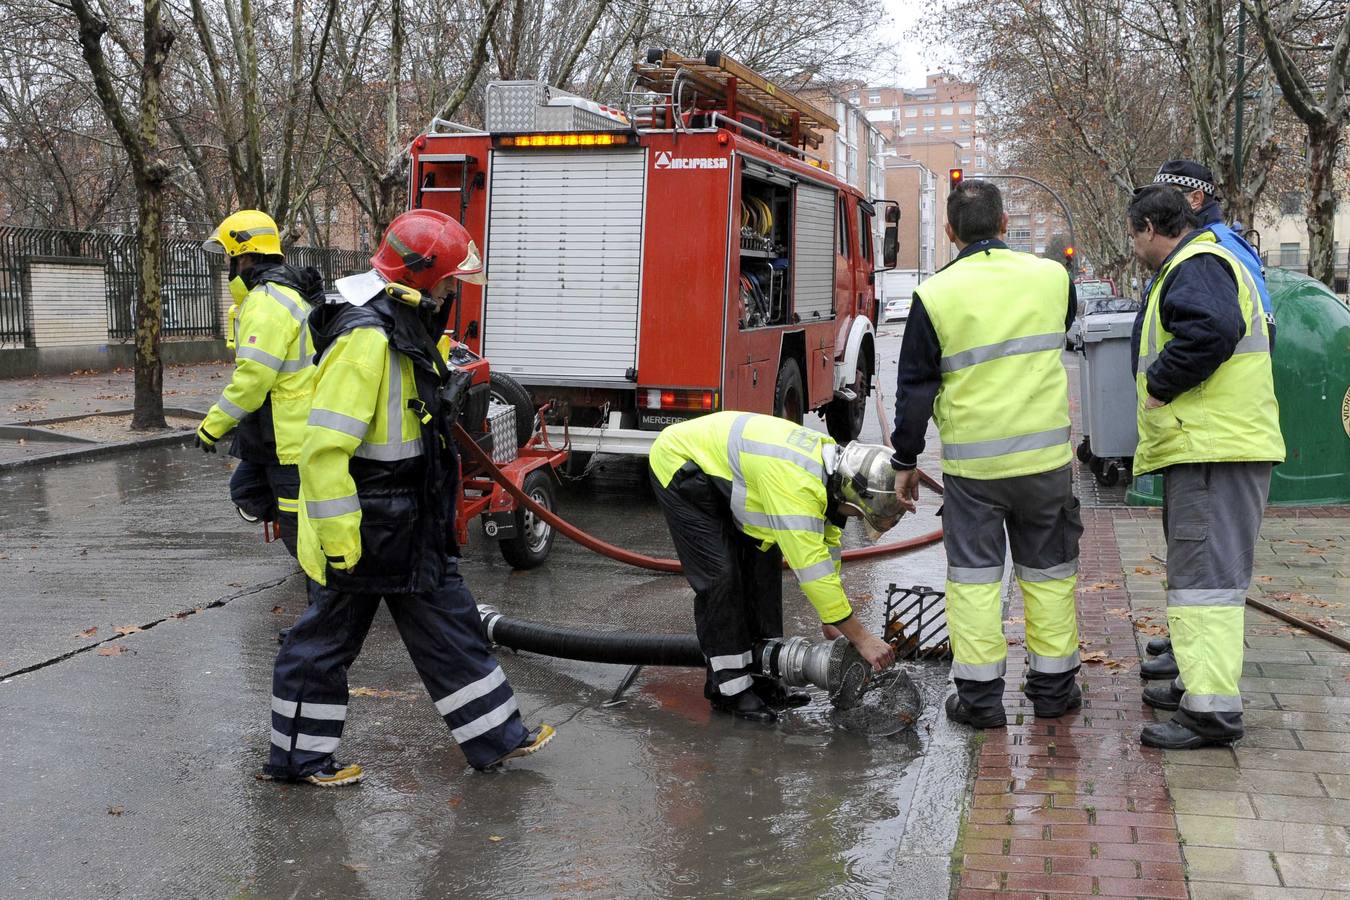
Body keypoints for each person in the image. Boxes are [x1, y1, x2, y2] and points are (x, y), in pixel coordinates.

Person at [263, 209, 553, 786]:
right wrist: (342, 538)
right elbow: (323, 448)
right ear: (422, 277)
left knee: (451, 629)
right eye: (449, 281)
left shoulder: (404, 324)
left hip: (408, 520)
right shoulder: (367, 338)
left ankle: (498, 737)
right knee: (322, 644)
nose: (453, 292)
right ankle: (297, 759)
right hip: (369, 526)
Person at [889, 179, 1083, 730]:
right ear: (1004, 225)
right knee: (1049, 574)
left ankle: (979, 701)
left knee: (974, 581)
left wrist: (905, 462)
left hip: (974, 472)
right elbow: (1062, 328)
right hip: (1045, 464)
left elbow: (914, 390)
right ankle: (1052, 690)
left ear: (950, 233)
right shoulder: (1052, 277)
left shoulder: (935, 295)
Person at [1126, 185, 1283, 750]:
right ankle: (1198, 687)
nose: (1134, 245)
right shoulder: (1205, 261)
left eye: (1132, 233)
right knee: (1201, 579)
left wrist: (1160, 387)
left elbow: (1211, 330)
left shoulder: (1195, 265)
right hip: (1215, 448)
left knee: (1205, 586)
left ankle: (1211, 713)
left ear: (1148, 227)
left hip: (1213, 450)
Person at [649, 412, 901, 723]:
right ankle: (731, 691)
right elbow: (813, 572)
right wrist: (861, 637)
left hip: (719, 469)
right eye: (860, 513)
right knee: (721, 579)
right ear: (854, 492)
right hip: (681, 464)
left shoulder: (831, 469)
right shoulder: (797, 487)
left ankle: (764, 679)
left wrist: (831, 618)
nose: (857, 517)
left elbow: (828, 545)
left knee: (763, 571)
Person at [197, 210, 321, 558]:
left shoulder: (266, 302)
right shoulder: (286, 294)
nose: (228, 267)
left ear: (244, 256)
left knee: (299, 532)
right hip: (281, 430)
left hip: (289, 439)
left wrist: (213, 425)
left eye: (229, 258)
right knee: (247, 489)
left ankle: (327, 594)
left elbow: (254, 378)